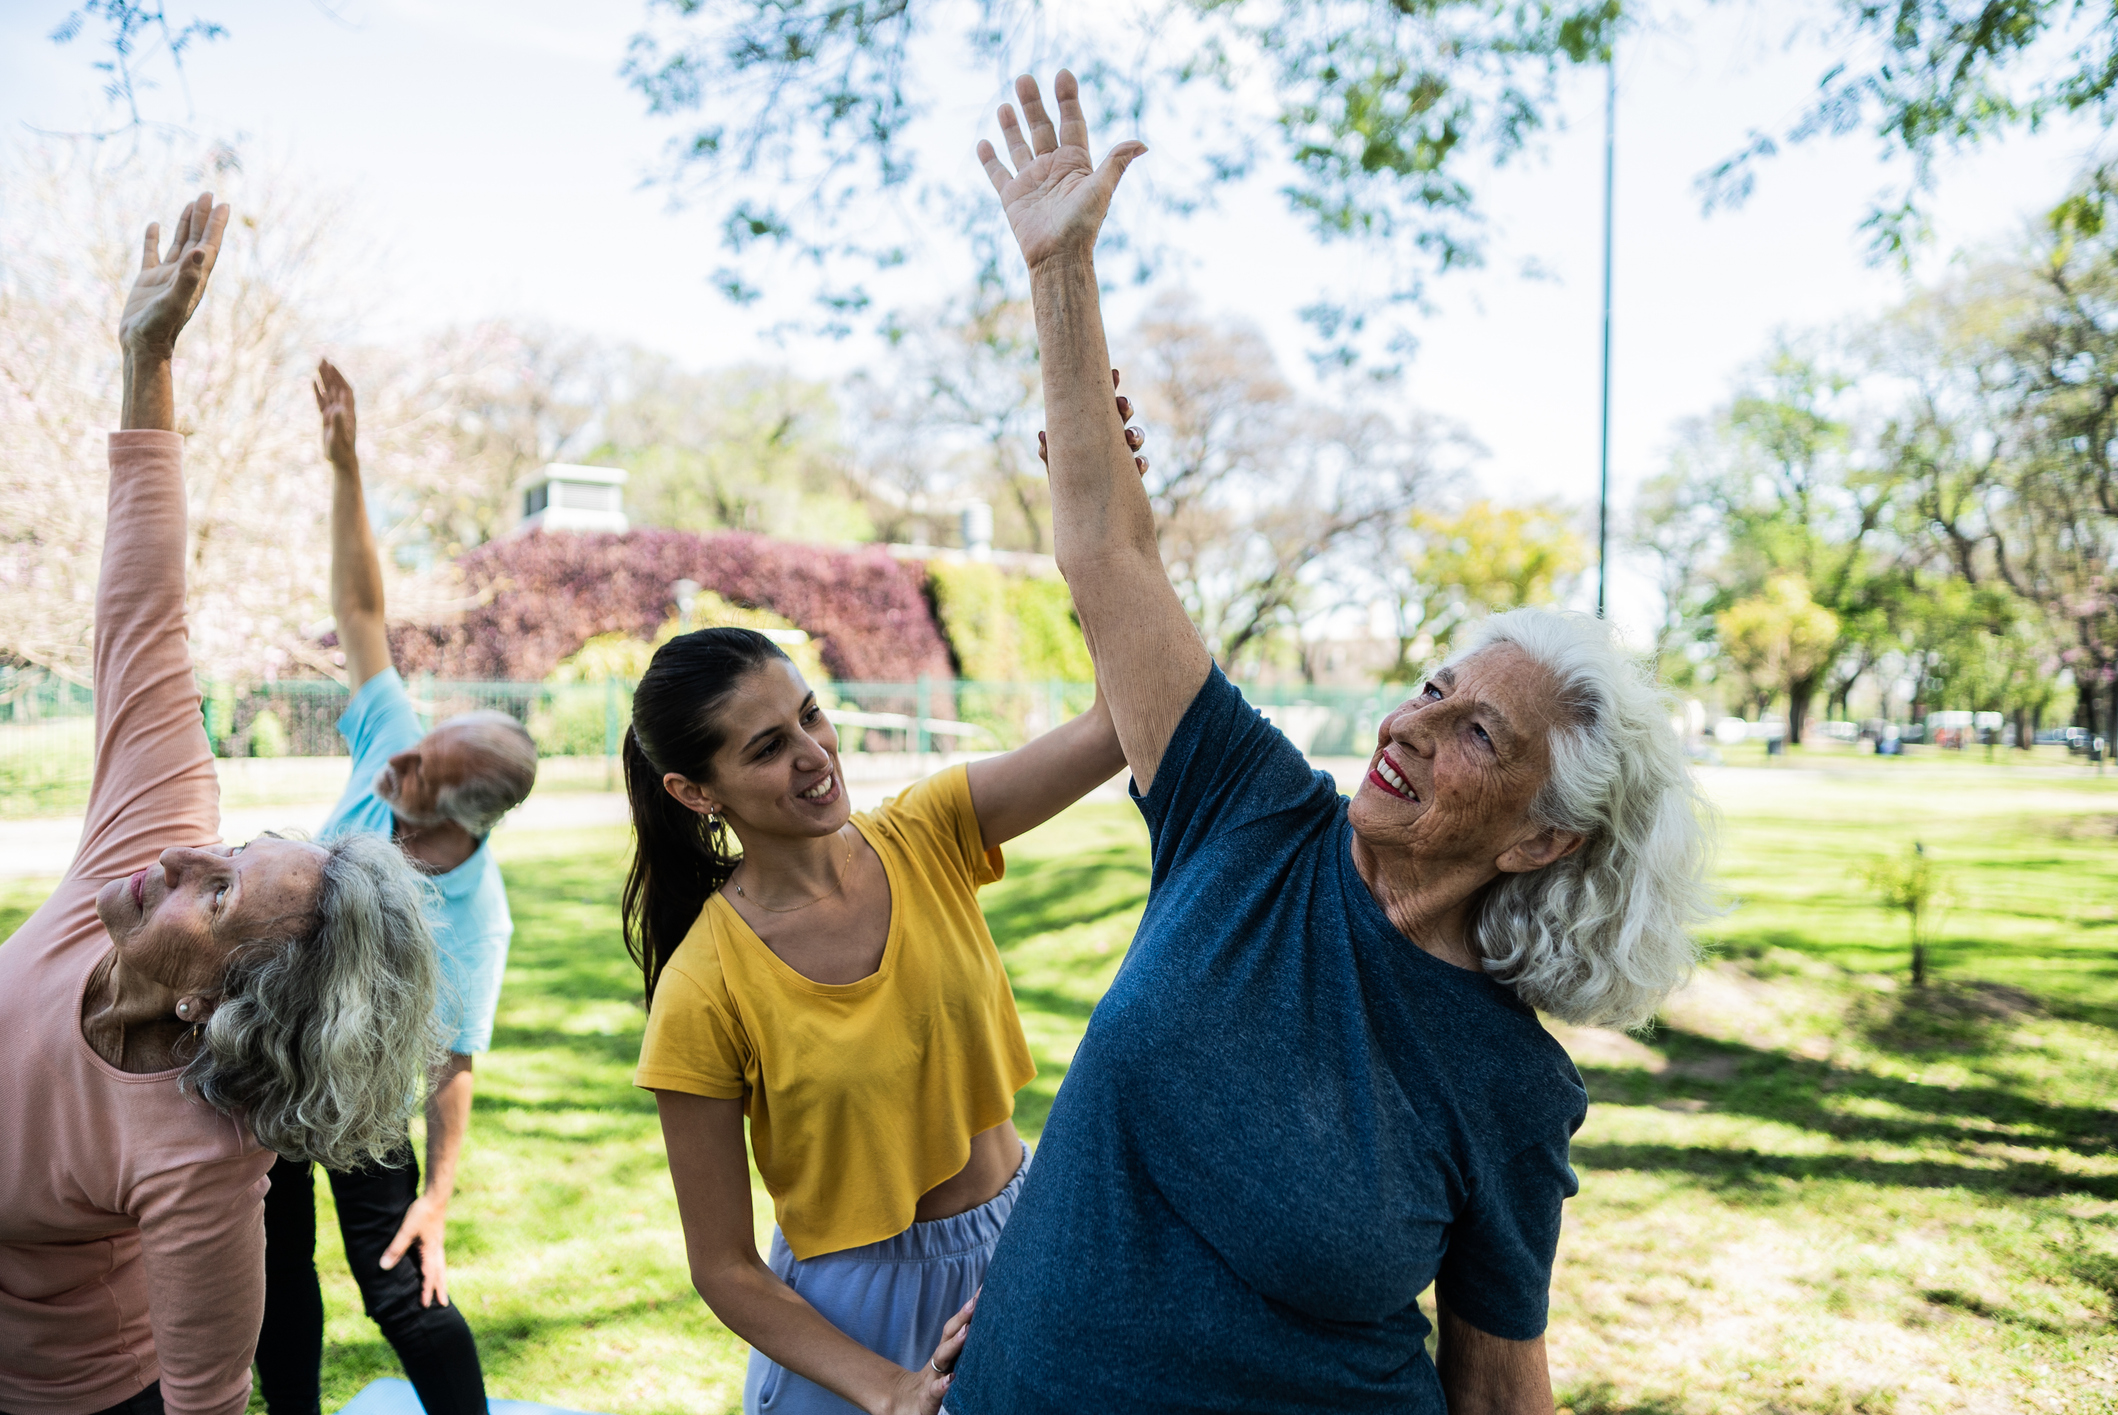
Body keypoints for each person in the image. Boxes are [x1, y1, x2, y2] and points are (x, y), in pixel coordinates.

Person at [943, 74, 1717, 1413]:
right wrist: (1060, 270)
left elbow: (1491, 1385)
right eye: (1427, 682)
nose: (1407, 720)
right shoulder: (1245, 811)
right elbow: (1104, 545)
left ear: (1541, 834)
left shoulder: (1508, 1084)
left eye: (1475, 727)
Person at [0, 195, 443, 1415]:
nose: (187, 852)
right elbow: (146, 609)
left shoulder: (201, 1168)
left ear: (213, 1004)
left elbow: (206, 1401)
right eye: (231, 849)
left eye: (223, 887)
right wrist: (147, 361)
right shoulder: (148, 844)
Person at [624, 621, 1131, 1415]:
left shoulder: (932, 830)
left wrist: (1105, 522)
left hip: (1023, 1247)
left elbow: (1114, 726)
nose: (815, 751)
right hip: (853, 1323)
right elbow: (723, 1266)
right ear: (695, 791)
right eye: (766, 747)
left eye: (811, 713)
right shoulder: (704, 985)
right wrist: (889, 1388)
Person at [254, 361, 538, 1415]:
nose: (397, 759)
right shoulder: (395, 739)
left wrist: (440, 1194)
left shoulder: (473, 912)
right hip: (262, 1047)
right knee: (273, 1287)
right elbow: (363, 606)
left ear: (459, 817)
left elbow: (453, 1059)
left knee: (402, 1284)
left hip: (359, 1085)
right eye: (419, 742)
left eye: (423, 769)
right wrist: (346, 466)